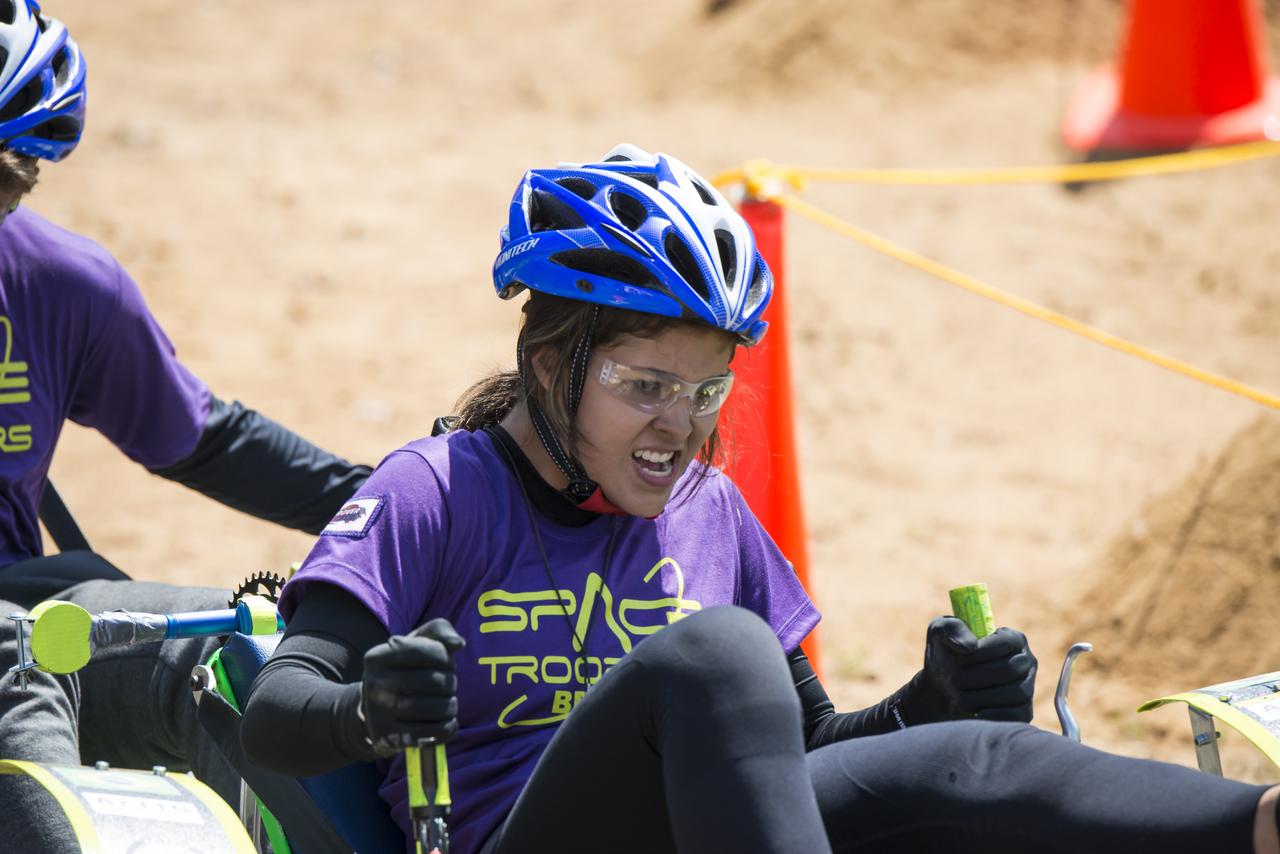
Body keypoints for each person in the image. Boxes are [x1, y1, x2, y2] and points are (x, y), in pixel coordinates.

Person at [241, 142, 1280, 854]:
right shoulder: (434, 491)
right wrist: (365, 711)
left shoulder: (708, 509)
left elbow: (786, 758)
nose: (680, 426)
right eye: (645, 385)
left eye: (706, 393)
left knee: (969, 757)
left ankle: (1263, 823)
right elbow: (275, 710)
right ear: (550, 362)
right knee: (716, 652)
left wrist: (928, 703)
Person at [0, 2, 368, 848]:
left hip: (30, 608)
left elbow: (207, 440)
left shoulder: (60, 283)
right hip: (16, 652)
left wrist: (403, 507)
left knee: (235, 654)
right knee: (19, 667)